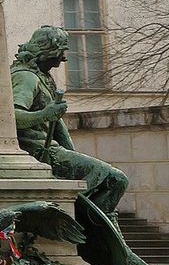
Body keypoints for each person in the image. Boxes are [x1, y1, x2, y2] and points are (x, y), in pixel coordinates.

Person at [13, 25, 130, 214]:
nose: (64, 58)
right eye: (62, 51)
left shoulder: (42, 77)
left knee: (114, 180)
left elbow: (58, 126)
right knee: (115, 180)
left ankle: (85, 227)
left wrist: (72, 153)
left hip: (53, 150)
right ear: (50, 51)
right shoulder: (26, 78)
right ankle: (89, 234)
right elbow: (14, 117)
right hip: (41, 153)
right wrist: (45, 114)